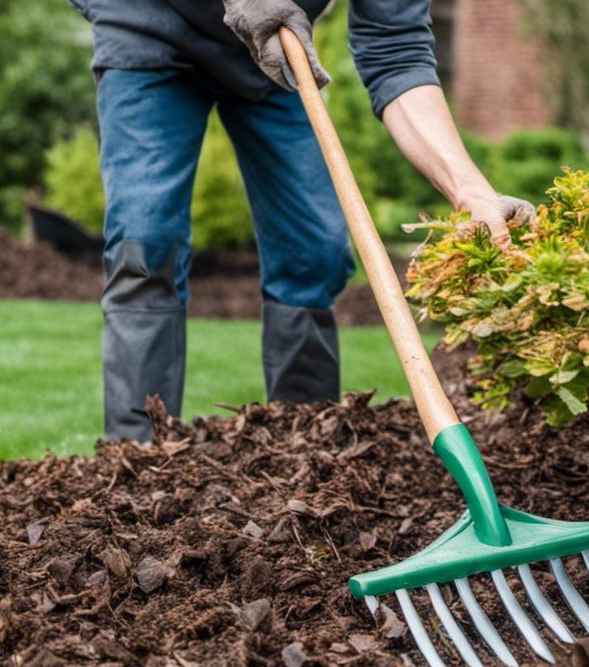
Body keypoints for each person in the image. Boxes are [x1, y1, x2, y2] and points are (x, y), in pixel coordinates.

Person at [69, 0, 535, 441]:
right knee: (145, 244)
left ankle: (303, 449)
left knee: (316, 253)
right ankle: (136, 459)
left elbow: (398, 53)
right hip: (148, 26)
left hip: (272, 46)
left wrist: (469, 189)